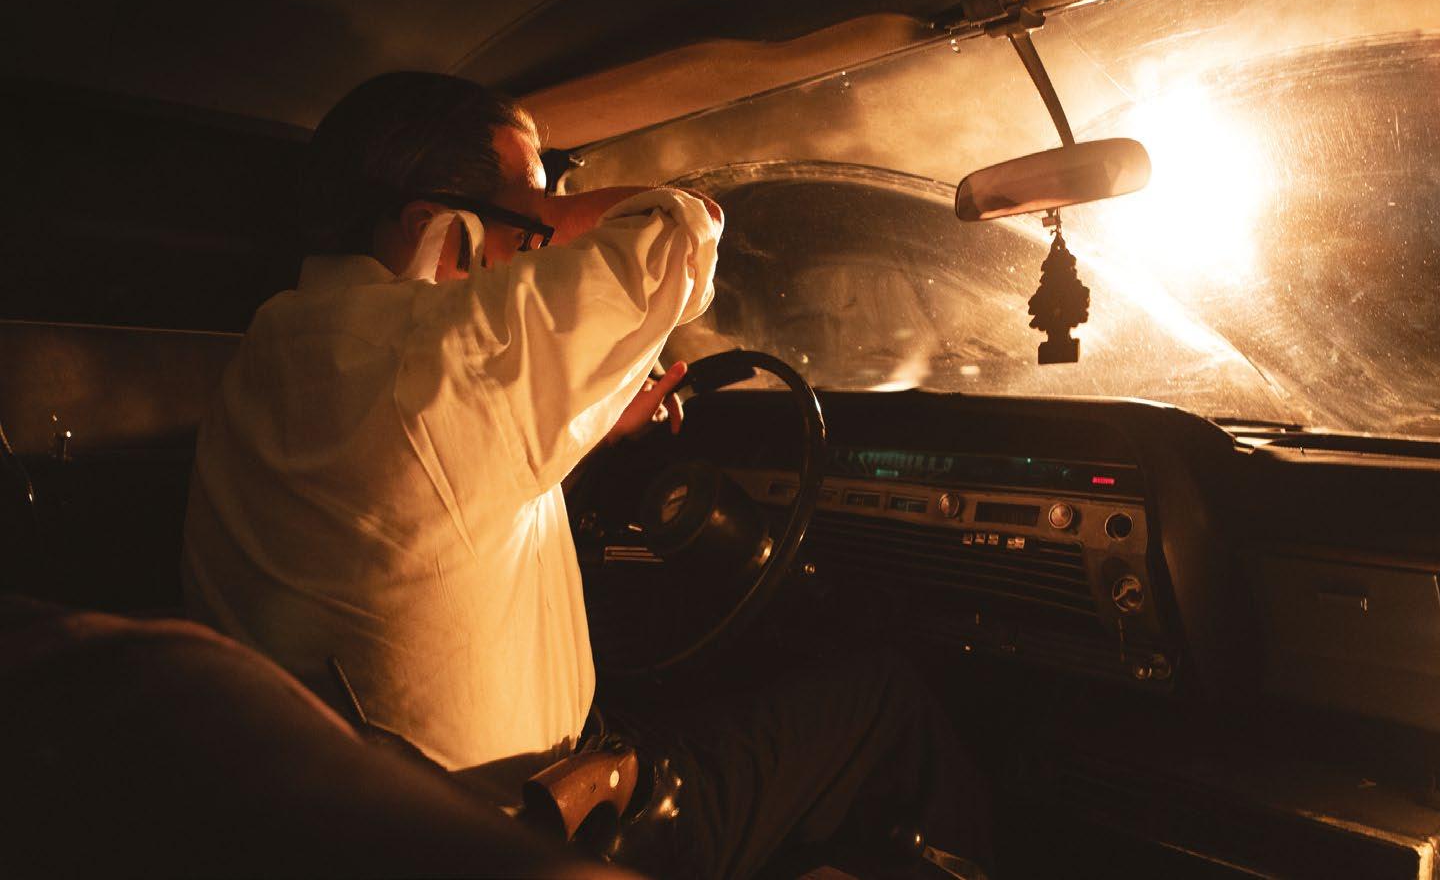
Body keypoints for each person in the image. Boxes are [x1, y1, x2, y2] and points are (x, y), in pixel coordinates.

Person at [182, 72, 989, 878]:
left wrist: (590, 422)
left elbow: (431, 498)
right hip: (531, 840)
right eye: (530, 224)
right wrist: (552, 216)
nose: (544, 248)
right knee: (884, 700)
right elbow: (683, 227)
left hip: (359, 828)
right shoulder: (443, 352)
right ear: (436, 228)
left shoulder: (270, 349)